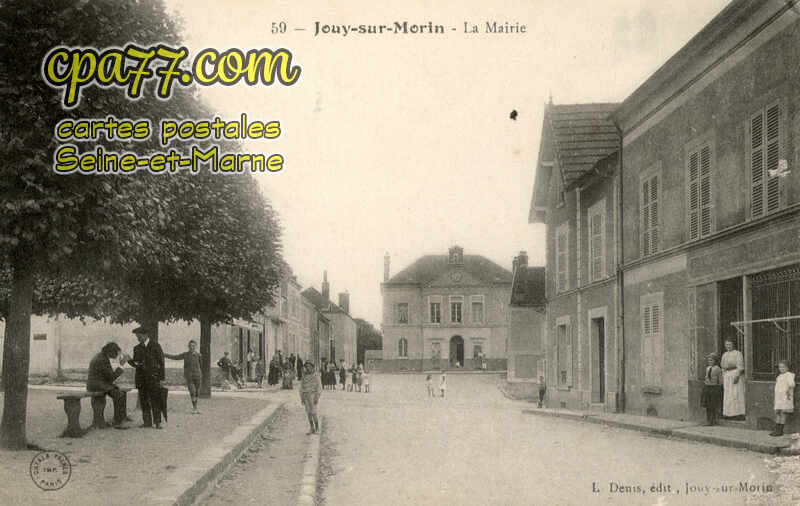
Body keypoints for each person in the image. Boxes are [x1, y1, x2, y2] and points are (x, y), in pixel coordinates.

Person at [128, 326, 166, 429]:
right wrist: (129, 361)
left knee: (155, 400)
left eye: (139, 336)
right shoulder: (136, 348)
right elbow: (136, 364)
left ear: (146, 335)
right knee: (144, 400)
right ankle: (147, 422)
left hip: (153, 378)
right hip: (141, 379)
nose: (138, 338)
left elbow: (161, 362)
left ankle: (157, 422)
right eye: (137, 336)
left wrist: (161, 379)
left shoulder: (155, 346)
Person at [87, 342, 130, 429]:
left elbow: (107, 377)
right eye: (116, 353)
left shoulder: (102, 356)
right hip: (97, 385)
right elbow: (111, 378)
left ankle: (119, 419)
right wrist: (121, 365)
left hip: (97, 383)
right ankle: (117, 422)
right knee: (119, 395)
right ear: (110, 351)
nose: (117, 356)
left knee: (120, 392)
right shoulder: (102, 359)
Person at [164, 340, 203, 414]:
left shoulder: (199, 355)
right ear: (188, 346)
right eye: (190, 346)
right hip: (189, 377)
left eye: (193, 346)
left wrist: (200, 374)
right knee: (192, 391)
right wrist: (165, 355)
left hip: (198, 376)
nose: (192, 347)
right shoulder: (185, 355)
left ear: (196, 346)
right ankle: (194, 408)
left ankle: (195, 407)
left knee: (197, 392)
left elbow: (201, 365)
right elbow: (175, 357)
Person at [721, 339, 745, 419]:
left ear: (733, 345)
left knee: (735, 393)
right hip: (727, 375)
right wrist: (723, 375)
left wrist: (737, 376)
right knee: (728, 394)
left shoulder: (737, 353)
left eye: (730, 344)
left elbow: (740, 366)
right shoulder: (724, 354)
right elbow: (722, 366)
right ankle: (728, 413)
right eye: (727, 344)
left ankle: (738, 413)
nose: (728, 346)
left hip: (735, 374)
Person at [771, 360, 795, 436]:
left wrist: (787, 390)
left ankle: (780, 430)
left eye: (783, 367)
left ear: (787, 368)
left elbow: (792, 384)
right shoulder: (779, 376)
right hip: (779, 397)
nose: (781, 368)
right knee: (778, 413)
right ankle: (776, 429)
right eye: (780, 367)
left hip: (785, 397)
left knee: (783, 413)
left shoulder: (789, 375)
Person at [299, 361, 322, 434]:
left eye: (309, 366)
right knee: (308, 413)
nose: (308, 368)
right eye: (306, 367)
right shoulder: (304, 376)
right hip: (306, 396)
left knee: (314, 412)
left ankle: (317, 428)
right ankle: (312, 427)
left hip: (313, 395)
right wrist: (302, 397)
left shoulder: (316, 375)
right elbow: (301, 388)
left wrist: (317, 397)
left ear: (312, 367)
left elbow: (319, 387)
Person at [700, 353, 723, 426]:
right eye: (709, 360)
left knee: (713, 405)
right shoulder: (708, 368)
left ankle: (713, 420)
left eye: (712, 360)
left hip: (714, 387)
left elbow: (720, 379)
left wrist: (719, 387)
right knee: (707, 405)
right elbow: (706, 377)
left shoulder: (717, 369)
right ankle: (708, 420)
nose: (710, 362)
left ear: (715, 361)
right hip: (707, 387)